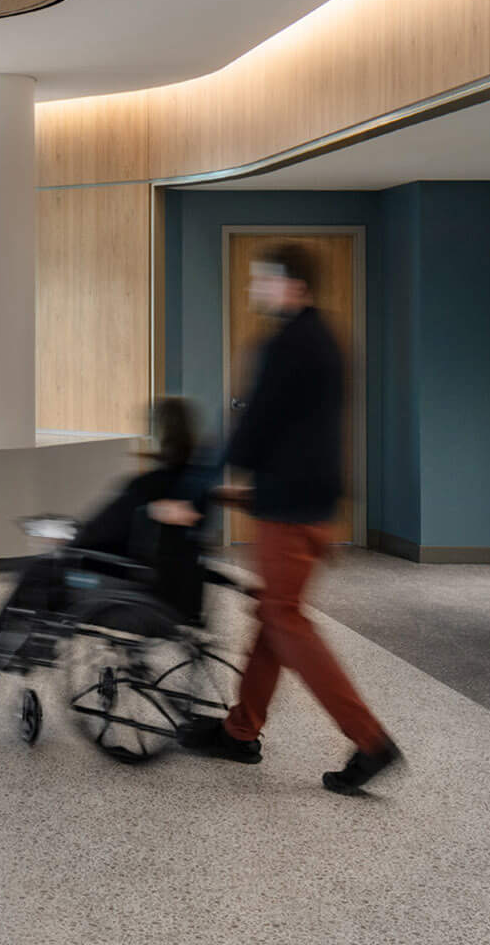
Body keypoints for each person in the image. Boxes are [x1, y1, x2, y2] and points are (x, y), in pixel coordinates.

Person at [179, 242, 402, 795]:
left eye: (263, 280)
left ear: (291, 285)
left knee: (285, 621)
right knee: (274, 619)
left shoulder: (286, 343)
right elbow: (290, 428)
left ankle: (370, 740)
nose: (255, 288)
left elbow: (255, 425)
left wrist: (201, 484)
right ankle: (240, 730)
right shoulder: (325, 338)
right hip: (314, 501)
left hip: (290, 506)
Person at [0, 397, 212, 685]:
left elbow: (100, 532)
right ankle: (6, 658)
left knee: (40, 570)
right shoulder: (198, 485)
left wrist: (67, 539)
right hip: (181, 598)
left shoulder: (146, 485)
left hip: (136, 593)